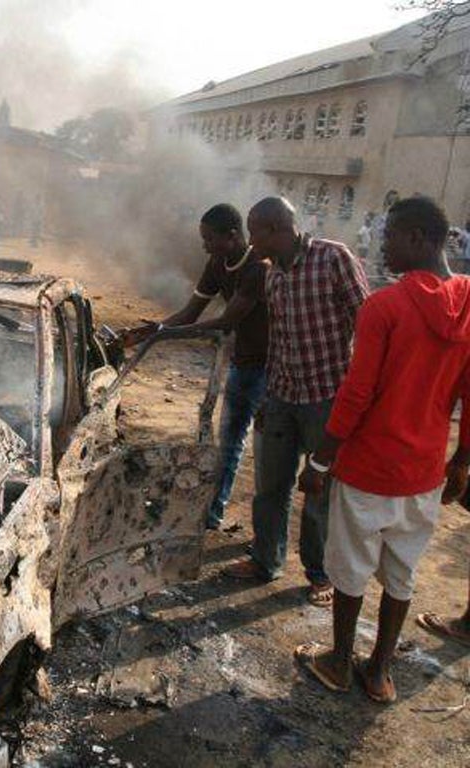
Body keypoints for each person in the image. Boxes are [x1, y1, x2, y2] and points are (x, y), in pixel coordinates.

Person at [293, 196, 470, 703]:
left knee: (350, 569)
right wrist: (461, 461)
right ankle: (380, 672)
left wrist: (321, 459)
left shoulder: (385, 306)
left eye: (390, 234)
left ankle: (338, 662)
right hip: (424, 473)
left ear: (417, 237)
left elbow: (356, 394)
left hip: (369, 468)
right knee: (401, 573)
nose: (382, 244)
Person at [224, 197, 369, 607]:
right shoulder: (272, 276)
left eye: (254, 232)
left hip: (327, 398)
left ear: (273, 229)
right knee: (270, 485)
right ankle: (266, 559)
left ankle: (319, 572)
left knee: (319, 492)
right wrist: (268, 398)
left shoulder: (333, 259)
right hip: (283, 397)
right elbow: (280, 342)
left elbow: (368, 325)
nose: (251, 242)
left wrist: (356, 397)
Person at [124, 203, 270, 530]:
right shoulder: (218, 261)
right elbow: (190, 313)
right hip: (242, 364)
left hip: (271, 371)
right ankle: (212, 514)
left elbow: (226, 321)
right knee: (229, 444)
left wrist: (167, 334)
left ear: (232, 236)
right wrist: (152, 331)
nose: (204, 245)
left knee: (268, 459)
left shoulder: (258, 269)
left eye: (209, 239)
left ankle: (263, 537)